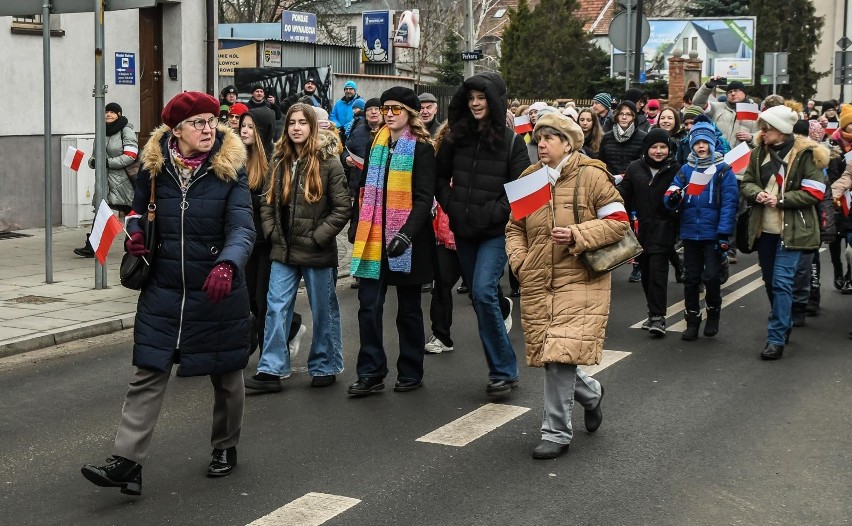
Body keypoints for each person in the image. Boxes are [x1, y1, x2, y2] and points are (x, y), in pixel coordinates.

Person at [80, 92, 255, 494]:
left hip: (216, 287)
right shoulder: (154, 167)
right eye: (198, 123)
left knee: (226, 372)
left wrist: (228, 263)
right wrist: (136, 234)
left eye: (212, 121)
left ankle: (225, 446)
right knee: (148, 370)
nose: (208, 129)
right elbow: (139, 209)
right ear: (177, 131)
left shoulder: (230, 169)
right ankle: (127, 462)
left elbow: (243, 227)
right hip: (163, 289)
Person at [506, 111, 626, 459]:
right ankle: (591, 393)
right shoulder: (529, 178)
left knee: (559, 357)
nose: (540, 144)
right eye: (538, 138)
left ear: (568, 142)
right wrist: (519, 262)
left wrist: (577, 233)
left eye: (548, 138)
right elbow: (514, 229)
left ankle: (556, 432)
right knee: (551, 355)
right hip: (538, 278)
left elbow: (619, 223)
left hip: (581, 277)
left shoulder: (592, 175)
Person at [435, 72, 530, 396]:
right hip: (463, 230)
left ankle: (503, 371)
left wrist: (493, 213)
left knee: (483, 290)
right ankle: (503, 365)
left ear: (495, 101)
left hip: (494, 232)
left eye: (482, 98)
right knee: (479, 297)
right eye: (471, 98)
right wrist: (451, 206)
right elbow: (438, 176)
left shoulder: (513, 142)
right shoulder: (455, 137)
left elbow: (524, 194)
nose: (476, 103)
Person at [244, 104, 350, 391]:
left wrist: (319, 237)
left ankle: (325, 365)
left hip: (316, 250)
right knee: (276, 308)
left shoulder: (329, 161)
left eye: (303, 122)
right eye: (292, 122)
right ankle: (272, 369)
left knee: (323, 309)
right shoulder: (280, 160)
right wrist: (271, 232)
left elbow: (342, 208)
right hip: (283, 250)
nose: (297, 128)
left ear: (312, 127)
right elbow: (267, 203)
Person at [348, 87, 437, 396]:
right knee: (368, 306)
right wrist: (357, 225)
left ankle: (411, 370)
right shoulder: (378, 144)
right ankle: (371, 372)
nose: (388, 113)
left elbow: (425, 199)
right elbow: (364, 189)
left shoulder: (423, 148)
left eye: (396, 108)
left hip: (406, 242)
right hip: (374, 239)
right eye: (386, 107)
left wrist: (405, 234)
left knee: (409, 309)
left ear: (410, 114)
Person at [740, 105, 827, 360]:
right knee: (770, 282)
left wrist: (780, 200)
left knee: (782, 282)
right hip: (763, 230)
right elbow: (746, 183)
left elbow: (814, 191)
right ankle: (784, 319)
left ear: (781, 130)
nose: (762, 132)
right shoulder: (758, 153)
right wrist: (757, 194)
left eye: (767, 128)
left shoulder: (805, 155)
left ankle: (776, 337)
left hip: (793, 230)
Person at [238, 106, 307, 366]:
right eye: (242, 125)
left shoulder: (273, 160)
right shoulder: (237, 157)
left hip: (266, 241)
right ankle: (292, 328)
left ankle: (272, 360)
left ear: (262, 130)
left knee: (264, 299)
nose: (244, 130)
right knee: (250, 301)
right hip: (244, 241)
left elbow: (276, 201)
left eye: (249, 126)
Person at [664, 120, 738, 341]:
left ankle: (713, 313)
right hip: (690, 233)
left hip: (712, 234)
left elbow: (729, 203)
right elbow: (670, 195)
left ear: (713, 144)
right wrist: (673, 198)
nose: (701, 146)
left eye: (706, 142)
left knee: (712, 276)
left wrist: (723, 232)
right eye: (697, 143)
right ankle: (692, 320)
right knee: (691, 278)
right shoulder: (685, 171)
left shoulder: (723, 171)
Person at [619, 128, 682, 336]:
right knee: (646, 272)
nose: (658, 151)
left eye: (663, 147)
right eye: (654, 147)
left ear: (669, 149)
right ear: (646, 149)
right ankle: (652, 312)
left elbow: (682, 197)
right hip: (640, 228)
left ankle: (658, 317)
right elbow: (623, 194)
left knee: (657, 272)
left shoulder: (676, 169)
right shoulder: (635, 168)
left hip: (664, 228)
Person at [74, 102, 138, 257]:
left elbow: (131, 155)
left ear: (119, 115)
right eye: (106, 111)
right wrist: (92, 161)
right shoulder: (101, 131)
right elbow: (96, 154)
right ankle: (92, 246)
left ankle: (134, 244)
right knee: (100, 212)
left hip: (123, 181)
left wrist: (107, 163)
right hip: (104, 180)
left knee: (131, 212)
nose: (109, 114)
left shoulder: (126, 130)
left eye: (113, 112)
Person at [693, 77, 759, 150]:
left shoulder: (755, 112)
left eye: (736, 90)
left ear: (744, 93)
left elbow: (763, 136)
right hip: (719, 157)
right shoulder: (717, 107)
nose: (733, 93)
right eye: (729, 92)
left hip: (744, 158)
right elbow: (697, 102)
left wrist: (751, 138)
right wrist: (708, 85)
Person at [599, 100, 647, 177]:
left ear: (634, 117)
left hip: (633, 182)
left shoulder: (643, 137)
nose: (624, 117)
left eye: (628, 114)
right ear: (617, 116)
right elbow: (601, 162)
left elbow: (644, 164)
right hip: (609, 180)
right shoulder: (607, 137)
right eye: (621, 114)